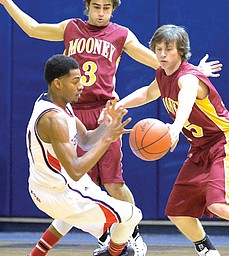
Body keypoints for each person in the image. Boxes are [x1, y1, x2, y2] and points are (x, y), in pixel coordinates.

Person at [0, 0, 222, 255]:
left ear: (113, 9)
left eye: (106, 8)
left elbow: (163, 64)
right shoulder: (70, 28)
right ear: (87, 7)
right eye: (97, 7)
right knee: (80, 186)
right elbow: (33, 28)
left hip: (105, 111)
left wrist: (194, 73)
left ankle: (133, 237)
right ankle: (108, 239)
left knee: (114, 182)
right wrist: (7, 3)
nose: (101, 13)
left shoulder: (121, 35)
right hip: (73, 111)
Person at [116, 24, 229, 256]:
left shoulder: (189, 78)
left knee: (218, 204)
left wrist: (175, 127)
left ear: (181, 52)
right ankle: (207, 251)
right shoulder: (162, 74)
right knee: (177, 210)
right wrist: (119, 104)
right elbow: (147, 93)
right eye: (158, 48)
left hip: (225, 142)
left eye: (169, 49)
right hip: (200, 148)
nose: (162, 54)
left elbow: (186, 98)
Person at [26, 54, 142, 256]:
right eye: (75, 81)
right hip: (59, 192)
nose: (82, 86)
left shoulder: (58, 104)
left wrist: (108, 125)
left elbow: (86, 139)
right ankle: (114, 253)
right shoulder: (54, 119)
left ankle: (36, 254)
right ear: (57, 83)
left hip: (50, 185)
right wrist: (108, 139)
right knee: (132, 215)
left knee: (73, 216)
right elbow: (76, 169)